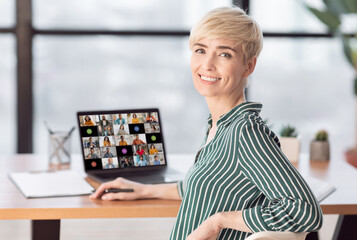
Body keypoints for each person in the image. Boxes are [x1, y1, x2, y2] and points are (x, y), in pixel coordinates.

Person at [91, 7, 322, 240]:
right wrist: (143, 189)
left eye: (224, 54)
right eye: (200, 50)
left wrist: (218, 221)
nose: (207, 65)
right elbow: (207, 186)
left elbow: (305, 211)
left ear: (248, 66)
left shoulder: (245, 132)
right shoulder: (220, 124)